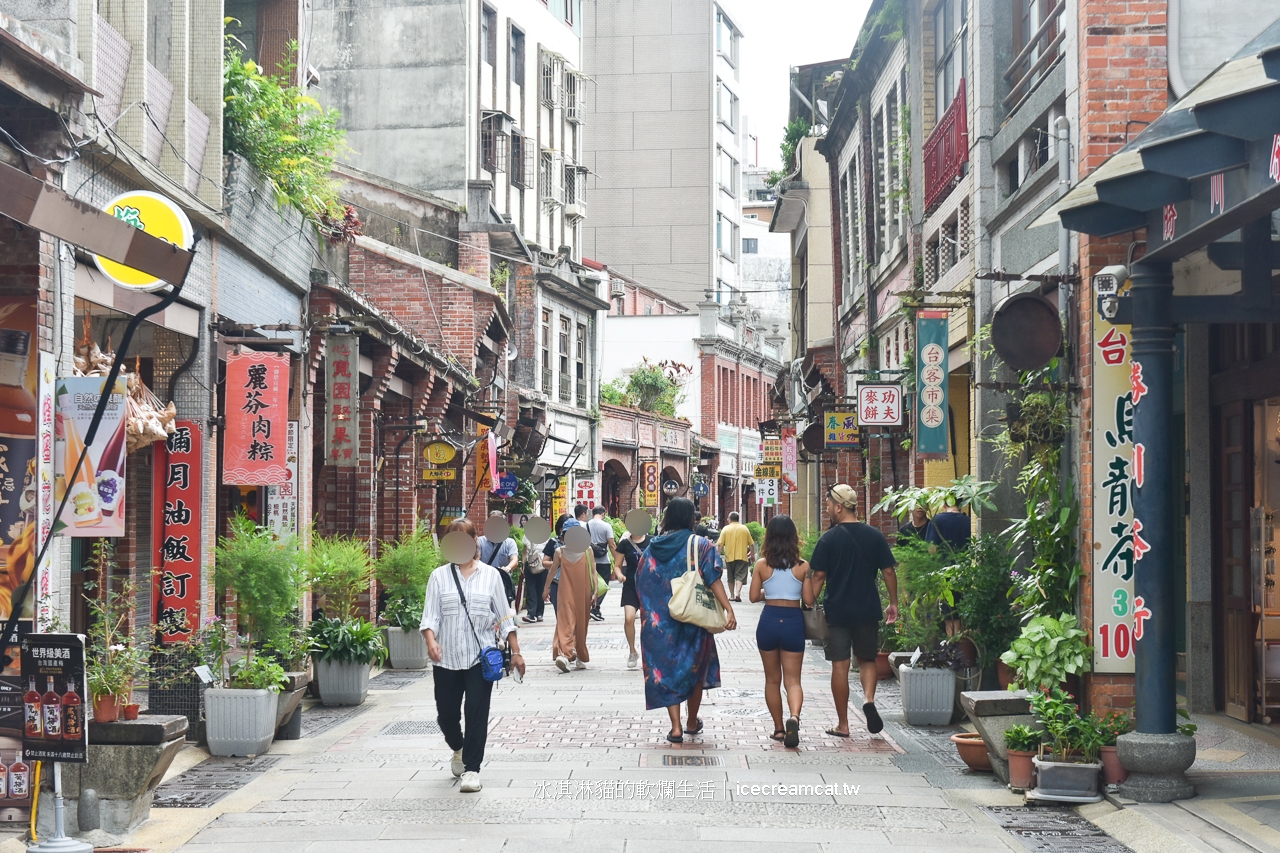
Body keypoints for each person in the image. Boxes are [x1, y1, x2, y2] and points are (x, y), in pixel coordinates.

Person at [420, 518, 524, 794]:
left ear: (474, 542)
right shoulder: (438, 577)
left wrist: (517, 652)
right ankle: (458, 746)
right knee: (446, 716)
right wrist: (431, 642)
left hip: (480, 658)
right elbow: (429, 617)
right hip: (446, 659)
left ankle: (472, 769)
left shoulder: (491, 576)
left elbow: (505, 616)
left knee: (477, 713)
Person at [636, 497, 737, 743]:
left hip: (661, 624)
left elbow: (641, 580)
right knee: (694, 669)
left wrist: (652, 614)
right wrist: (728, 609)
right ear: (691, 517)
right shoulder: (701, 545)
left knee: (668, 671)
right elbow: (713, 578)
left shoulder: (654, 546)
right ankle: (692, 721)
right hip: (694, 618)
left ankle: (676, 727)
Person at [808, 484, 898, 738]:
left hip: (838, 611)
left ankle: (843, 724)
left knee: (840, 665)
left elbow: (819, 577)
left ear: (839, 507)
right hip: (867, 608)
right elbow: (889, 571)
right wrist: (894, 602)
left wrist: (807, 604)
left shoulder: (829, 538)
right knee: (867, 659)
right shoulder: (874, 535)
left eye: (828, 506)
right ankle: (868, 700)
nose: (827, 510)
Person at [749, 515, 815, 747]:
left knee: (772, 680)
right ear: (793, 537)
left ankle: (778, 729)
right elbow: (808, 601)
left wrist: (771, 592)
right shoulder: (802, 566)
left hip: (768, 621)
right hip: (793, 622)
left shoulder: (761, 565)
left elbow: (753, 596)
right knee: (793, 680)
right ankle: (794, 717)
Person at [544, 522, 593, 671]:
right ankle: (565, 655)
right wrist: (546, 589)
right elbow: (552, 571)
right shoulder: (559, 552)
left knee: (581, 623)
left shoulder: (587, 550)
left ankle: (579, 654)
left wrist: (595, 591)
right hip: (564, 589)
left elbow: (593, 572)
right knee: (566, 621)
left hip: (583, 590)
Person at [614, 523, 651, 670]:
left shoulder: (653, 541)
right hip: (630, 584)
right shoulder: (624, 544)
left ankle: (648, 653)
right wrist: (619, 575)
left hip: (649, 585)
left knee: (648, 622)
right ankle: (632, 651)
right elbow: (617, 565)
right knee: (629, 618)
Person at [476, 511, 519, 604]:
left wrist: (507, 568)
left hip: (502, 581)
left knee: (504, 608)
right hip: (484, 581)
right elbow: (476, 559)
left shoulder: (509, 542)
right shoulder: (480, 541)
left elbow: (514, 560)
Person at [587, 506, 618, 621]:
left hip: (590, 560)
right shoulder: (606, 526)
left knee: (591, 584)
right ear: (603, 514)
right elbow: (612, 545)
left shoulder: (586, 525)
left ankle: (591, 607)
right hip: (603, 560)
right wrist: (616, 561)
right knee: (603, 585)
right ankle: (595, 608)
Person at [717, 511, 755, 602]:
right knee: (740, 576)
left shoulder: (726, 529)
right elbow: (751, 544)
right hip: (742, 556)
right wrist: (752, 555)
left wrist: (717, 556)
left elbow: (720, 544)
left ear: (730, 519)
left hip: (729, 557)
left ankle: (732, 595)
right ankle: (738, 593)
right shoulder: (744, 529)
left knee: (730, 577)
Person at [542, 514, 572, 615]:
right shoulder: (553, 542)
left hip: (574, 583)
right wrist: (558, 562)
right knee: (560, 615)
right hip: (557, 583)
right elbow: (545, 562)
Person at [521, 524, 550, 624]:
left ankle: (539, 613)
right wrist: (523, 565)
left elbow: (548, 552)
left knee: (540, 589)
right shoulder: (526, 536)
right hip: (530, 566)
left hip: (542, 566)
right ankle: (531, 614)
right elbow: (524, 552)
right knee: (530, 589)